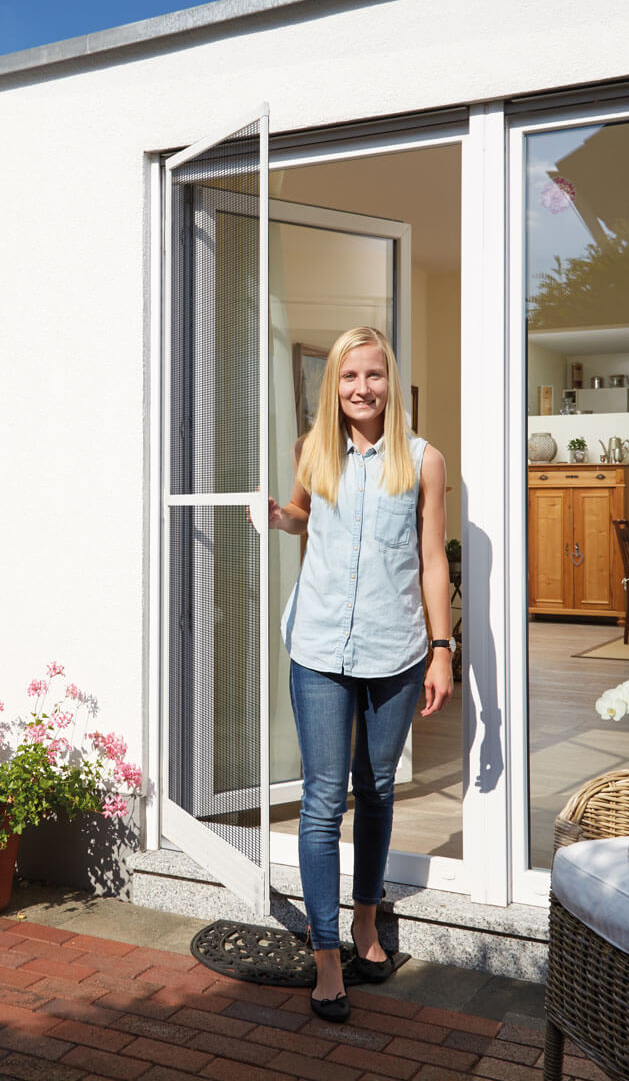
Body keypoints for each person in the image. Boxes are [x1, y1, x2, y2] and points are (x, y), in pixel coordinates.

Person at [269, 326, 454, 1022]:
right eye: (349, 378)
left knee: (375, 791)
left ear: (390, 381)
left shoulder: (424, 460)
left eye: (373, 376)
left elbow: (433, 559)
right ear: (334, 385)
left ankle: (366, 925)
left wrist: (442, 649)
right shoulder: (312, 451)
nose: (362, 389)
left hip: (396, 651)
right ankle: (325, 959)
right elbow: (303, 516)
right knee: (322, 801)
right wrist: (279, 516)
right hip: (318, 648)